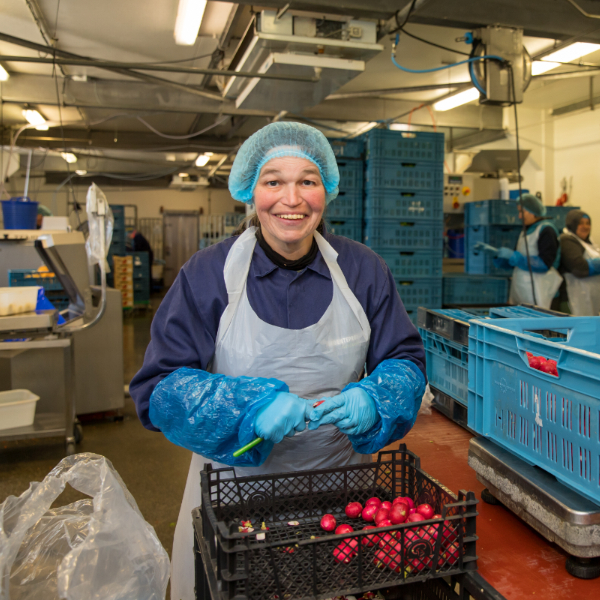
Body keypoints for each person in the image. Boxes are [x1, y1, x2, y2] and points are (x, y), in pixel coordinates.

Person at [129, 122, 426, 600]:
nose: (292, 199)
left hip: (342, 496)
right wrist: (244, 408)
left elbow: (405, 360)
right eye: (273, 182)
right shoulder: (208, 274)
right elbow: (158, 389)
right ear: (251, 191)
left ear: (326, 190)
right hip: (234, 497)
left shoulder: (363, 269)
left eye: (307, 181)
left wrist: (377, 397)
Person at [474, 194, 562, 308]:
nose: (519, 216)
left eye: (522, 212)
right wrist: (498, 256)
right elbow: (515, 263)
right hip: (522, 292)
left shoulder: (547, 230)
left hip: (542, 291)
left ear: (533, 211)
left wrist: (514, 257)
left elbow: (544, 264)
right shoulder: (524, 231)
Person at [557, 210, 600, 315]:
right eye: (581, 223)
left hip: (589, 298)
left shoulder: (590, 242)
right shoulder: (567, 240)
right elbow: (580, 269)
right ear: (572, 224)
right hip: (572, 299)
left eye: (588, 223)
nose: (585, 226)